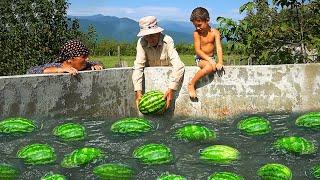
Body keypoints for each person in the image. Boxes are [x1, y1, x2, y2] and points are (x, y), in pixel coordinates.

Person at [132, 16, 185, 109]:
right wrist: (138, 91)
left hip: (168, 82)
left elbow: (178, 65)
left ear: (158, 32)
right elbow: (138, 66)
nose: (149, 39)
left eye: (152, 35)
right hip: (151, 83)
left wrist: (171, 89)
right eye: (146, 36)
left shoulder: (167, 40)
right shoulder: (141, 42)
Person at [188, 7, 223, 98]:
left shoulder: (215, 32)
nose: (197, 28)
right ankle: (191, 84)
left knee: (214, 67)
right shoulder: (196, 33)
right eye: (195, 26)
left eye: (199, 25)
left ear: (207, 20)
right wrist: (209, 60)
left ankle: (211, 63)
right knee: (208, 67)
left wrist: (220, 62)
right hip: (200, 58)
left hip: (211, 58)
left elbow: (218, 48)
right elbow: (198, 51)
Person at [27, 40, 103, 75]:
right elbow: (30, 71)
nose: (87, 59)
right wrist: (59, 70)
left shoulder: (86, 65)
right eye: (83, 57)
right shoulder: (56, 66)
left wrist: (97, 66)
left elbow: (98, 62)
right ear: (69, 59)